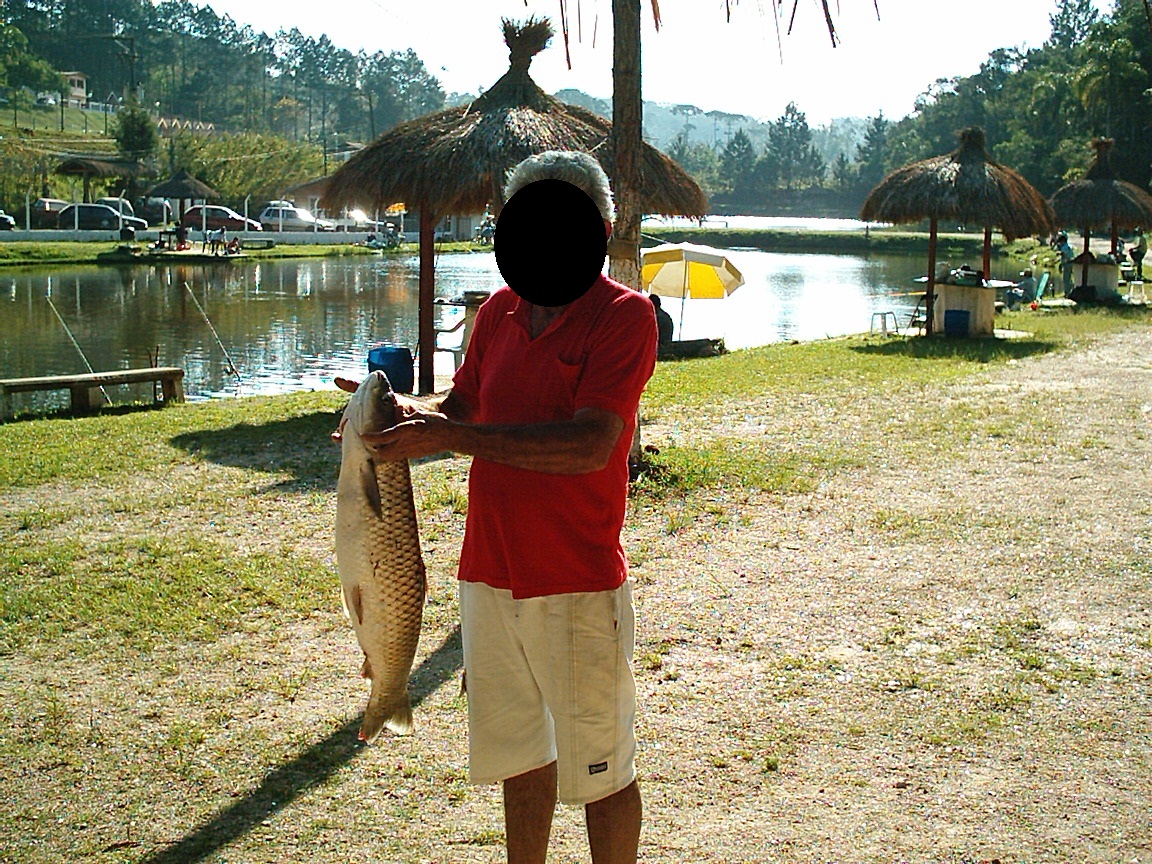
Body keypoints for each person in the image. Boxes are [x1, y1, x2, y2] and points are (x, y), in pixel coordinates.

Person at [335, 150, 653, 864]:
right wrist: (398, 420)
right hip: (487, 572)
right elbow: (464, 406)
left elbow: (590, 446)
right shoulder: (500, 311)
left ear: (599, 227)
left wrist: (456, 435)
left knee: (601, 768)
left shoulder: (624, 316)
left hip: (574, 575)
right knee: (519, 755)